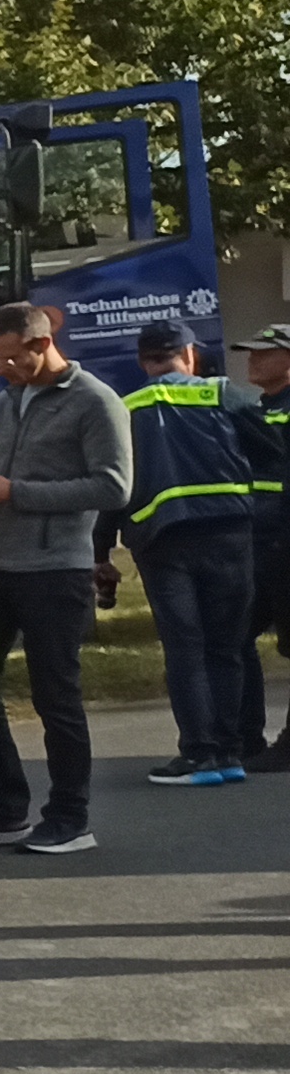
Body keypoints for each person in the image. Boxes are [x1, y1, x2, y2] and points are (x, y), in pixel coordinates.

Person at [0, 302, 132, 852]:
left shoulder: (95, 401)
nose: (1, 370)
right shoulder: (5, 402)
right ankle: (6, 809)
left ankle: (70, 818)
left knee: (56, 696)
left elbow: (113, 487)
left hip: (56, 570)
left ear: (41, 343)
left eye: (10, 358)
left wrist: (15, 493)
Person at [106, 325, 260, 786]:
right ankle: (231, 754)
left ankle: (198, 755)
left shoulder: (125, 409)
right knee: (226, 647)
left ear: (143, 361)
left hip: (162, 540)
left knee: (185, 650)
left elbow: (111, 488)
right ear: (189, 355)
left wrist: (100, 554)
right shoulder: (223, 394)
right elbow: (270, 448)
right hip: (230, 531)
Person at [234, 322, 290, 768]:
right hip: (257, 543)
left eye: (264, 352)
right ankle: (246, 737)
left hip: (284, 542)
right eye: (250, 352)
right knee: (236, 637)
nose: (253, 359)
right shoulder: (258, 407)